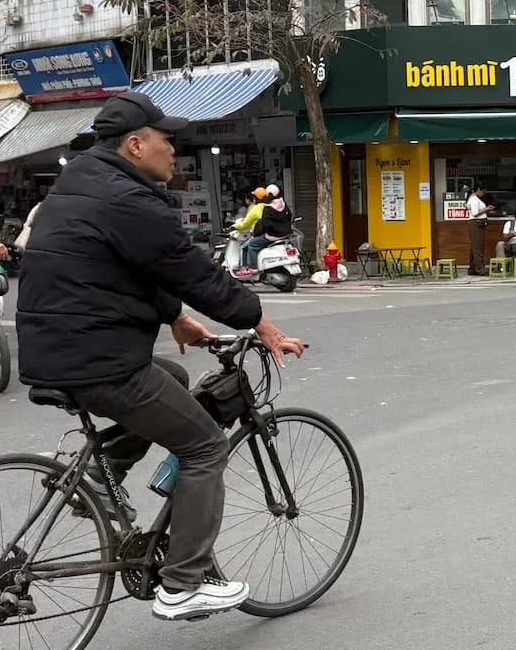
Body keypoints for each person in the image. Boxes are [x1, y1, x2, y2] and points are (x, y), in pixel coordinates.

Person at [15, 91, 304, 621]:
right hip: (96, 356)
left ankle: (102, 474)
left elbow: (128, 265)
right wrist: (261, 324)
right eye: (166, 140)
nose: (174, 150)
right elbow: (192, 272)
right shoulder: (132, 199)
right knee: (204, 448)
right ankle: (183, 584)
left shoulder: (78, 185)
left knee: (167, 373)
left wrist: (174, 317)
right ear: (135, 144)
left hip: (54, 347)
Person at [237, 195, 292, 275]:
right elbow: (289, 217)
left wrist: (235, 226)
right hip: (284, 234)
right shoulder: (282, 206)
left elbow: (246, 223)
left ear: (255, 199)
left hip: (270, 235)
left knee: (251, 245)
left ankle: (253, 268)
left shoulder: (259, 208)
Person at [465, 186, 491, 275]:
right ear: (479, 190)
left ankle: (473, 268)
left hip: (475, 223)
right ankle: (480, 269)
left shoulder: (471, 198)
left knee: (474, 247)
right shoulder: (474, 199)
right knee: (478, 247)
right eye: (483, 192)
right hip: (476, 223)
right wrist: (487, 209)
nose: (483, 194)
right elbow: (475, 213)